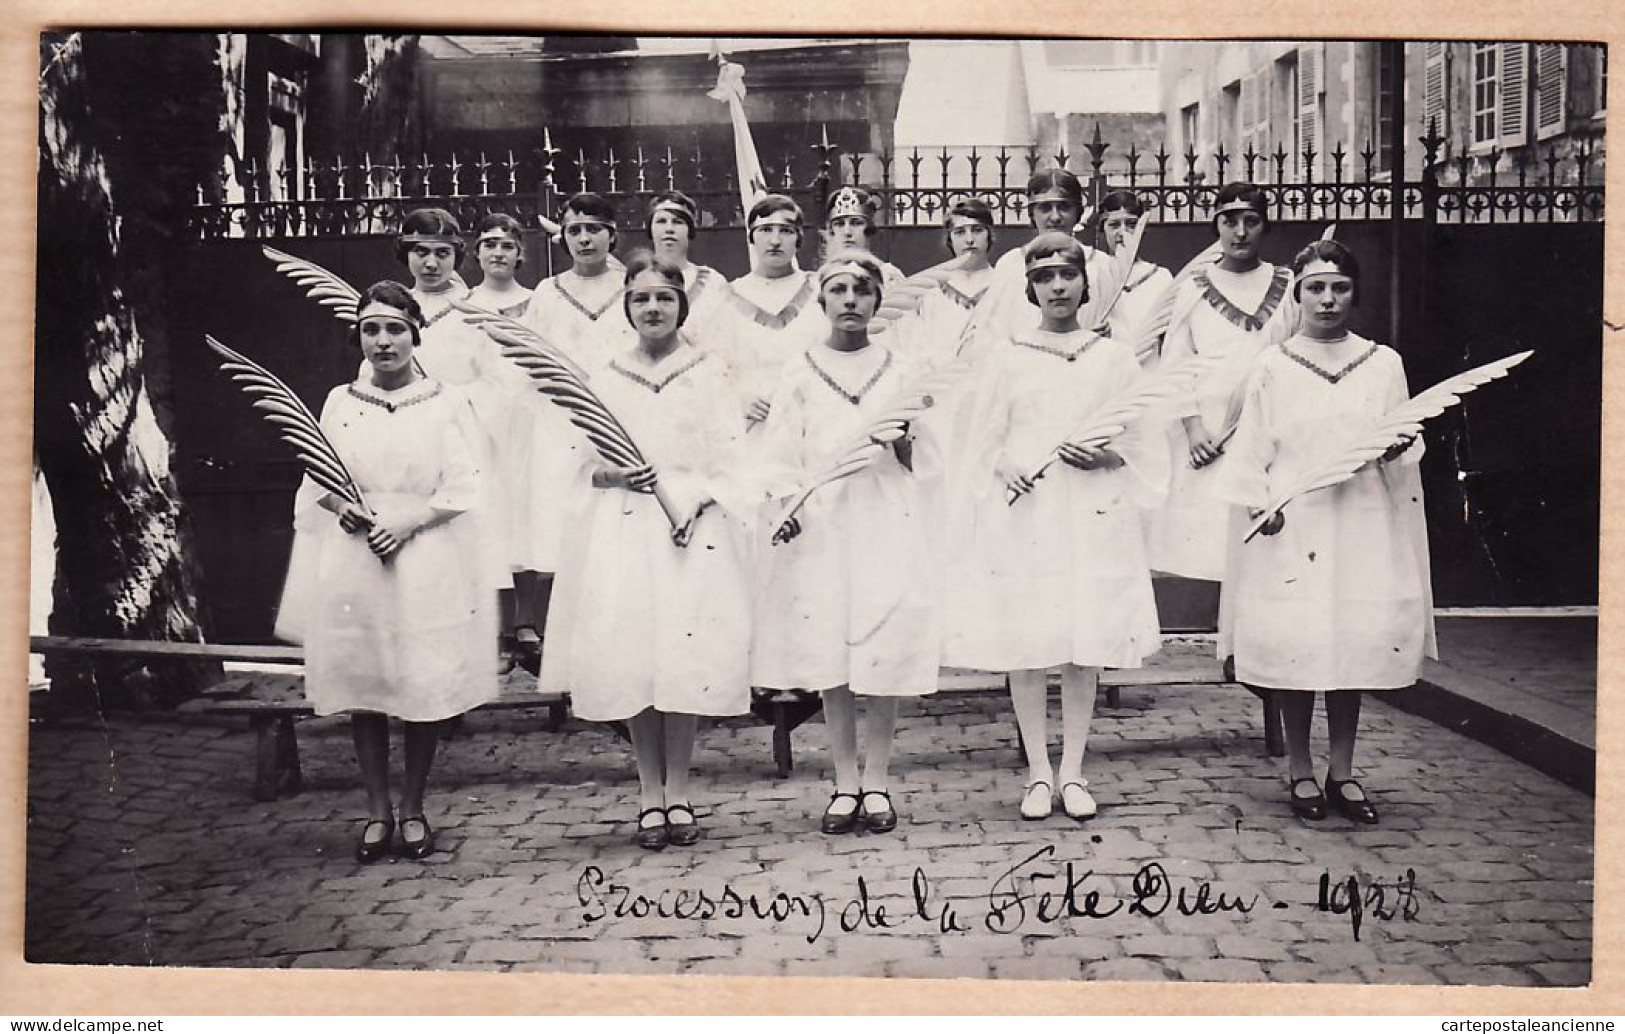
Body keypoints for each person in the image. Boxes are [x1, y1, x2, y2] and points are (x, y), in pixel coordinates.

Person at [945, 234, 1166, 821]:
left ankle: (1073, 770)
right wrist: (1007, 466)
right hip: (1030, 511)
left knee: (1081, 641)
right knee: (1029, 641)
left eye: (1068, 275)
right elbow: (983, 438)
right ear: (1032, 289)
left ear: (1085, 285)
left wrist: (1110, 457)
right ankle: (1038, 773)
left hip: (1092, 509)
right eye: (1046, 279)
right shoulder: (1009, 354)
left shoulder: (1113, 357)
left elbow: (1143, 439)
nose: (1058, 287)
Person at [276, 281, 498, 862]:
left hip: (421, 552)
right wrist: (345, 507)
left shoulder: (445, 401)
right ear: (359, 337)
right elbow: (317, 478)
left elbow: (464, 484)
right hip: (356, 556)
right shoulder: (341, 400)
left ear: (414, 334)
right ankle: (376, 811)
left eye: (394, 328)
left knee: (419, 682)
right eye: (371, 329)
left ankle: (414, 806)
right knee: (366, 683)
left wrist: (408, 525)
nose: (383, 341)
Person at [1215, 239, 1435, 825]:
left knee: (1348, 642)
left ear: (1354, 294)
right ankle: (1300, 769)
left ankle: (1343, 770)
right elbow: (1252, 449)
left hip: (1360, 518)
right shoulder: (1273, 364)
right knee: (1299, 644)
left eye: (1339, 286)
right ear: (1298, 294)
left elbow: (1410, 437)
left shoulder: (1382, 363)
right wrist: (1265, 505)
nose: (1328, 298)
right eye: (1315, 286)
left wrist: (1396, 447)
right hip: (1295, 522)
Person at [540, 253, 753, 850]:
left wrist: (699, 503)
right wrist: (616, 477)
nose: (652, 308)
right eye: (640, 299)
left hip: (690, 526)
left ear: (682, 305)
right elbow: (579, 463)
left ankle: (679, 790)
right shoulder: (603, 374)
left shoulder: (710, 369)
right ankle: (647, 795)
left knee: (680, 656)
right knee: (634, 652)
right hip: (624, 527)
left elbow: (731, 458)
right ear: (626, 307)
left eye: (663, 297)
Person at [752, 250, 941, 835]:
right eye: (839, 291)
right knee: (833, 649)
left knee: (881, 646)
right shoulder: (801, 370)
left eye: (862, 290)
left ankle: (878, 780)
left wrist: (907, 441)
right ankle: (843, 782)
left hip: (885, 515)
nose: (851, 300)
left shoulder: (903, 369)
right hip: (826, 520)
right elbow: (781, 452)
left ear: (878, 301)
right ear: (823, 301)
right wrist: (789, 504)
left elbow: (927, 455)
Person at [1146, 182, 1291, 584]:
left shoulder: (1287, 284)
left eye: (1251, 221)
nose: (1240, 232)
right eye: (1230, 221)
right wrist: (1194, 432)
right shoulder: (1194, 287)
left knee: (1268, 544)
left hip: (1268, 425)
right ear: (1216, 226)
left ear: (1265, 225)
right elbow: (1176, 365)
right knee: (1214, 546)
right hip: (1210, 432)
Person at [511, 193, 628, 667]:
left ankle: (618, 641)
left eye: (594, 229)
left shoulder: (629, 286)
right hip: (561, 423)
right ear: (563, 237)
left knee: (617, 528)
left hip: (618, 418)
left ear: (612, 235)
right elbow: (531, 359)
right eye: (575, 230)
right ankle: (573, 651)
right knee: (565, 532)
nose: (584, 238)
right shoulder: (547, 292)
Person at [386, 208, 521, 603]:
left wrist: (447, 404)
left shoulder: (475, 309)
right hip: (403, 438)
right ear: (405, 254)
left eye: (442, 253)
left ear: (458, 256)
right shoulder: (393, 307)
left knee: (467, 532)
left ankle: (481, 630)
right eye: (420, 252)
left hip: (462, 436)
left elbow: (499, 381)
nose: (430, 263)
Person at [718, 194, 829, 425]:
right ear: (751, 236)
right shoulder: (729, 296)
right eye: (765, 229)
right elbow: (716, 365)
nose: (775, 240)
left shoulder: (820, 289)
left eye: (786, 231)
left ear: (799, 238)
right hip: (753, 419)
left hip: (811, 415)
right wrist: (739, 398)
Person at [1091, 190, 1173, 356]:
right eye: (1114, 225)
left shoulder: (1160, 277)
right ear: (1103, 229)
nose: (1122, 232)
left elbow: (1173, 334)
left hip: (1150, 368)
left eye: (1131, 224)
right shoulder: (1095, 272)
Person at [644, 190, 733, 340]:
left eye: (678, 222)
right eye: (661, 221)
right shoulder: (637, 279)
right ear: (650, 229)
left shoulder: (713, 282)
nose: (669, 229)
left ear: (690, 230)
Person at [822, 185, 905, 284]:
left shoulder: (888, 276)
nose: (847, 232)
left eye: (856, 223)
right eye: (839, 224)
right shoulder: (819, 278)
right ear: (831, 231)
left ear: (869, 229)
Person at [463, 213, 532, 318]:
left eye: (507, 247)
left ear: (519, 254)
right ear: (477, 253)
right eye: (490, 246)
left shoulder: (536, 302)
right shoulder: (464, 302)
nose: (498, 254)